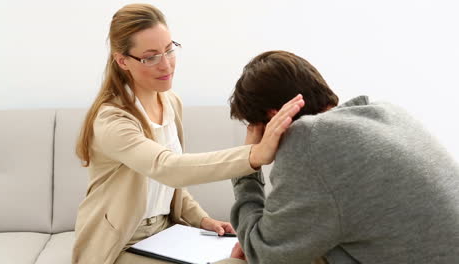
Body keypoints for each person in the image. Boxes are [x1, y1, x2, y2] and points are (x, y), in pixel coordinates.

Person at [71, 4, 304, 264]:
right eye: (151, 57)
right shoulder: (112, 120)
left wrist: (202, 219)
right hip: (120, 244)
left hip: (166, 233)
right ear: (122, 60)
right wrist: (254, 154)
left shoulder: (170, 102)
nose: (166, 64)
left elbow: (168, 186)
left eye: (169, 50)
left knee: (250, 255)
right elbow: (167, 167)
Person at [226, 50, 459, 264]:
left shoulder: (308, 140)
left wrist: (247, 165)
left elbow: (263, 254)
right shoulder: (387, 113)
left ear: (275, 116)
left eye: (255, 127)